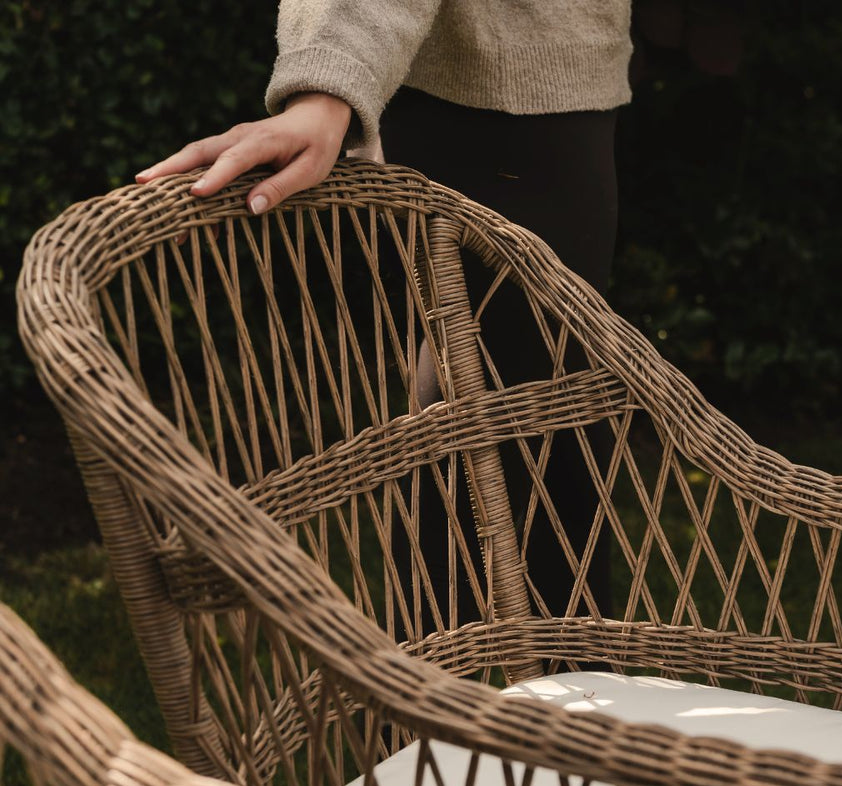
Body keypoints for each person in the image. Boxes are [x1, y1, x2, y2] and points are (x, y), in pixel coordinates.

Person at [137, 1, 632, 633]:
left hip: (560, 79)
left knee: (553, 463)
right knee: (477, 470)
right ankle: (431, 691)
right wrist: (325, 83)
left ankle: (559, 687)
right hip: (486, 91)